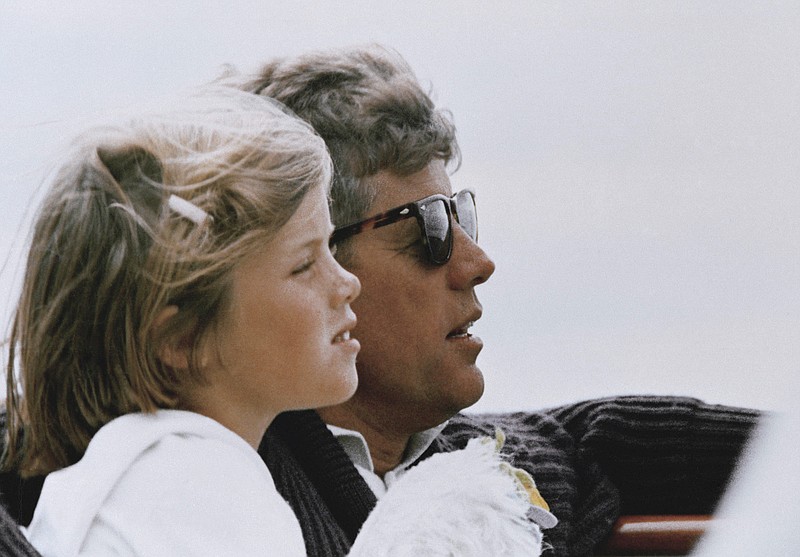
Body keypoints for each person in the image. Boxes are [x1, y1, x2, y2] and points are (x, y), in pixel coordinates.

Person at [240, 45, 759, 557]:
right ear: (308, 265)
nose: (478, 264)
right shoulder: (229, 490)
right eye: (431, 228)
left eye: (460, 214)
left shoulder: (485, 465)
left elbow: (605, 441)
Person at [3, 86, 362, 555]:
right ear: (182, 338)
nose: (347, 283)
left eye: (330, 249)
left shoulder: (128, 477)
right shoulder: (199, 488)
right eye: (303, 265)